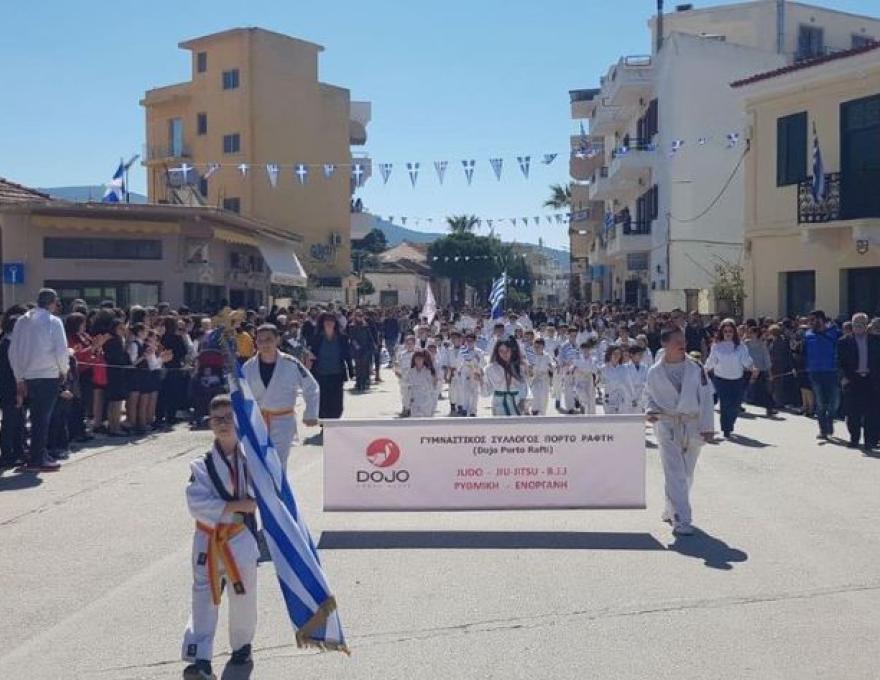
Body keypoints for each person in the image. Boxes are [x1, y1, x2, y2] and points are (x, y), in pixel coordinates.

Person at [181, 395, 259, 680]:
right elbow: (195, 504)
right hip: (208, 539)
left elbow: (263, 496)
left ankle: (242, 645)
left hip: (240, 537)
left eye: (229, 417)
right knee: (203, 596)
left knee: (244, 594)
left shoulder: (253, 460)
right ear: (210, 424)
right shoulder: (200, 466)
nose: (224, 424)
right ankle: (199, 658)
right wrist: (237, 506)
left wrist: (239, 507)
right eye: (218, 420)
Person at [644, 326, 715, 536]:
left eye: (683, 340)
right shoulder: (654, 372)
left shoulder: (696, 368)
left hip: (692, 424)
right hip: (667, 425)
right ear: (665, 344)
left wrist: (708, 427)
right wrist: (650, 410)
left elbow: (706, 396)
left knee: (687, 474)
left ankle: (671, 507)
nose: (682, 344)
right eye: (676, 341)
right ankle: (682, 519)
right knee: (674, 472)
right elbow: (647, 395)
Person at [9, 288, 70, 471]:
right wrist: (64, 370)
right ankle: (37, 458)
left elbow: (14, 351)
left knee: (34, 418)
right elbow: (61, 350)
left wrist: (19, 377)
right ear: (52, 302)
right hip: (48, 375)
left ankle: (37, 453)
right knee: (42, 419)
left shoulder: (22, 321)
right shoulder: (54, 321)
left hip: (27, 375)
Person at [243, 324, 319, 468]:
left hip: (283, 420)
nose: (265, 344)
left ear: (277, 340)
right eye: (260, 340)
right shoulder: (248, 367)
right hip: (257, 421)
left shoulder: (291, 363)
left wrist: (310, 413)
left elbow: (311, 387)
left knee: (278, 463)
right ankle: (262, 491)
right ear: (256, 342)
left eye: (269, 339)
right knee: (257, 465)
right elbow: (240, 396)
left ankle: (278, 490)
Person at [704, 319, 757, 439]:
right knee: (725, 404)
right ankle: (726, 428)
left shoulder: (740, 346)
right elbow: (711, 360)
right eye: (725, 331)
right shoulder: (716, 346)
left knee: (736, 404)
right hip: (721, 379)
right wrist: (705, 369)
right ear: (722, 332)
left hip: (737, 379)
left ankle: (730, 422)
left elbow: (746, 360)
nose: (728, 333)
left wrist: (752, 368)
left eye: (730, 331)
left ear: (734, 332)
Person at [837, 313, 880, 449]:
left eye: (861, 324)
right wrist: (843, 378)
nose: (858, 327)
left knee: (872, 413)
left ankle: (870, 441)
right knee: (852, 412)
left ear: (867, 325)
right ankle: (854, 438)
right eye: (855, 324)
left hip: (871, 380)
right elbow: (839, 362)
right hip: (852, 380)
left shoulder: (876, 340)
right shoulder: (844, 341)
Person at [308, 312, 352, 426]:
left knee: (337, 402)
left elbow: (347, 354)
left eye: (331, 321)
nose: (329, 323)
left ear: (335, 323)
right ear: (322, 323)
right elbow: (310, 354)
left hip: (337, 373)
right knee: (322, 401)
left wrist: (351, 370)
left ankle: (334, 421)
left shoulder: (342, 337)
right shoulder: (316, 338)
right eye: (326, 321)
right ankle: (324, 423)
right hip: (320, 374)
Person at [803, 310, 842, 439]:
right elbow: (804, 352)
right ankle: (823, 430)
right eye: (810, 320)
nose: (811, 323)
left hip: (832, 372)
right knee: (820, 403)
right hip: (815, 372)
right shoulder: (808, 335)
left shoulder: (834, 333)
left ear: (821, 319)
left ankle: (830, 420)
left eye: (813, 320)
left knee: (834, 402)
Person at [0, 315, 25, 469]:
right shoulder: (7, 345)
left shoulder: (9, 343)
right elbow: (9, 373)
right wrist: (18, 391)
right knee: (10, 423)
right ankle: (8, 455)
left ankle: (17, 452)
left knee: (17, 421)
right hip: (10, 389)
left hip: (11, 388)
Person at [484, 339, 527, 416]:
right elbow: (486, 392)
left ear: (512, 350)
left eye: (507, 350)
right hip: (499, 404)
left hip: (517, 404)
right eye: (501, 351)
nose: (504, 354)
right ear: (497, 352)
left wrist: (523, 402)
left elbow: (525, 387)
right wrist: (480, 380)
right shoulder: (490, 368)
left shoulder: (520, 367)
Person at [601, 345, 637, 414]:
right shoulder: (604, 368)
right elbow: (600, 383)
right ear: (609, 355)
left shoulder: (624, 369)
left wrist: (633, 398)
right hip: (609, 399)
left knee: (620, 421)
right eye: (614, 353)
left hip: (621, 399)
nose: (616, 356)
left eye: (618, 354)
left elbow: (629, 384)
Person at [406, 349, 439, 417]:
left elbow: (433, 388)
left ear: (424, 359)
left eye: (420, 358)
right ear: (414, 360)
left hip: (426, 400)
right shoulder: (411, 371)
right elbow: (408, 386)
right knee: (415, 422)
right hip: (415, 400)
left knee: (426, 421)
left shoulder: (428, 371)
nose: (418, 360)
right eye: (417, 358)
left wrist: (433, 403)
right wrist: (409, 400)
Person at [529, 338, 554, 416]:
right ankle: (534, 411)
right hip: (535, 378)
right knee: (535, 395)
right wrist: (530, 369)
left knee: (544, 397)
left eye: (538, 347)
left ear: (543, 347)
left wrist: (551, 367)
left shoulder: (547, 356)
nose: (536, 349)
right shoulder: (532, 356)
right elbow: (529, 368)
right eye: (535, 347)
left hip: (544, 379)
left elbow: (551, 366)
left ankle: (542, 414)